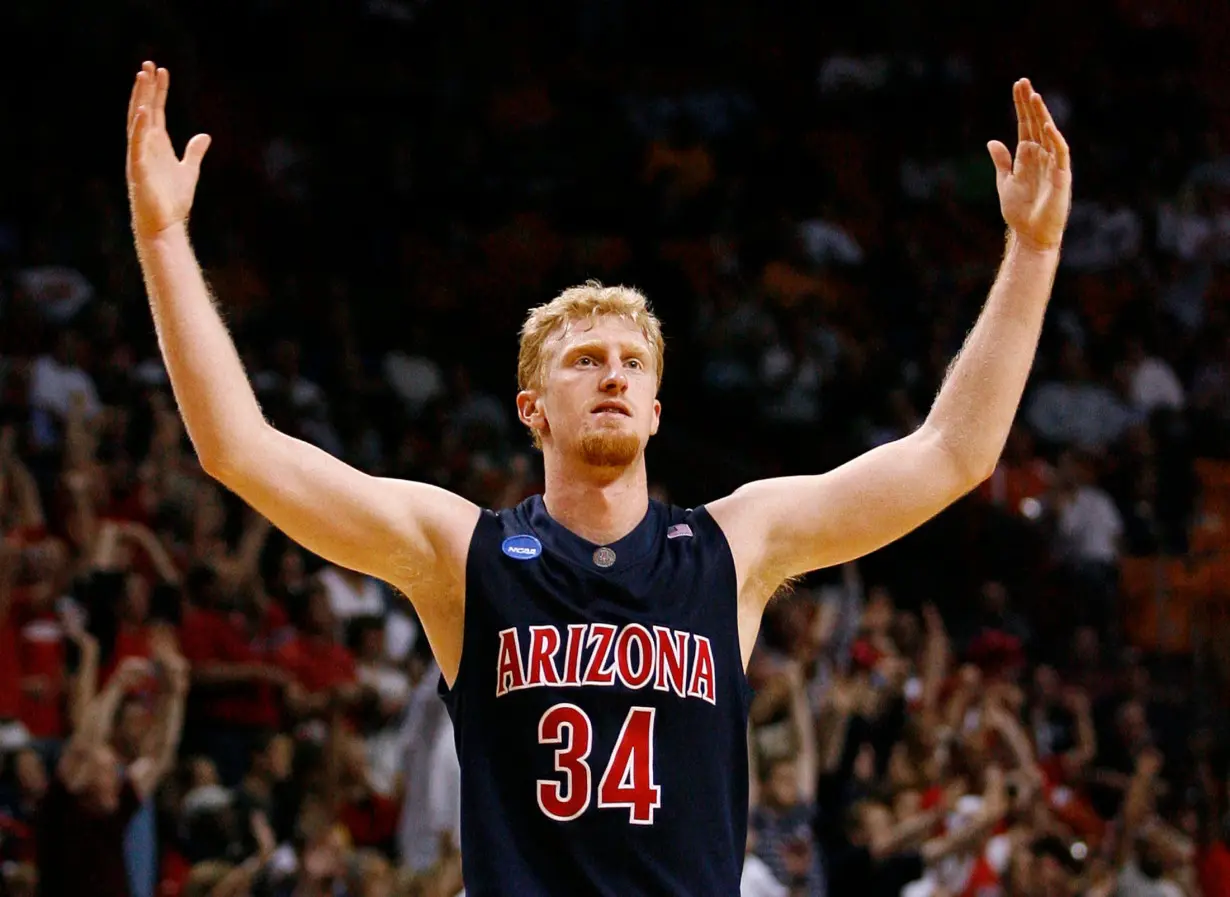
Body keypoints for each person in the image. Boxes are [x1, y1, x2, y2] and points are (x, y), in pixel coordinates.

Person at [125, 60, 1071, 896]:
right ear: (533, 407)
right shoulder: (465, 554)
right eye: (584, 360)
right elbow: (238, 449)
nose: (613, 372)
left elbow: (953, 453)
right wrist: (164, 238)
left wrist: (1030, 253)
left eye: (632, 361)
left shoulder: (736, 545)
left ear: (657, 408)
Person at [35, 652, 188, 897]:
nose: (115, 777)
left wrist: (174, 695)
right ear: (84, 779)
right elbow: (82, 746)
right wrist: (117, 685)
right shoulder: (60, 810)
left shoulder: (115, 813)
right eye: (106, 771)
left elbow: (159, 757)